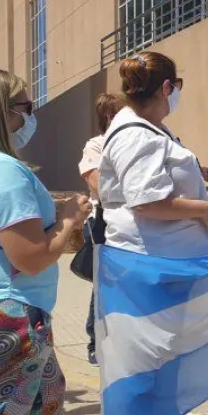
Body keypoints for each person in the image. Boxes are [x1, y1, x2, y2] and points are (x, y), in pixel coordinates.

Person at [0, 68, 108, 415]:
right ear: (1, 112)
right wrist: (69, 220)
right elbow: (31, 256)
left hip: (19, 313)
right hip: (11, 314)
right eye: (24, 106)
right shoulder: (4, 171)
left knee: (43, 408)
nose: (29, 115)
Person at [99, 51, 208, 415]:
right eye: (178, 86)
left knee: (170, 358)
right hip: (148, 268)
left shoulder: (152, 130)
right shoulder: (135, 134)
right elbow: (147, 202)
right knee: (141, 364)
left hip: (170, 266)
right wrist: (203, 208)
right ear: (167, 87)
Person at [78, 93, 124, 366]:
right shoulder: (96, 145)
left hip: (131, 222)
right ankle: (95, 341)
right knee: (103, 283)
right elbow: (100, 186)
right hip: (102, 222)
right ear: (109, 116)